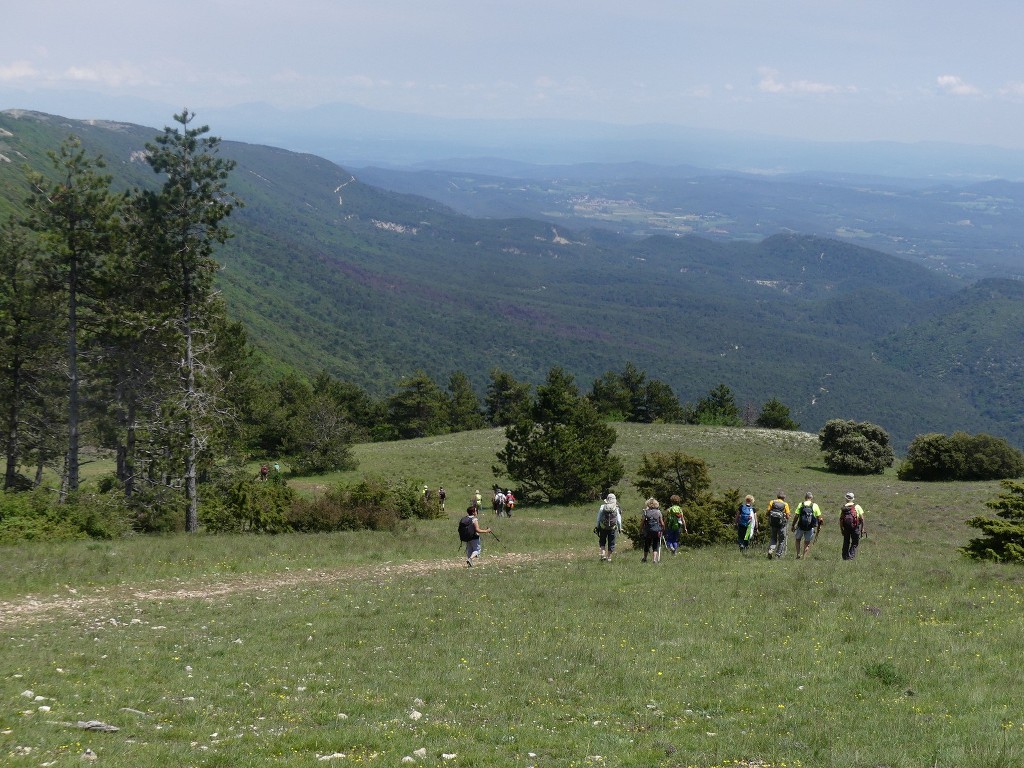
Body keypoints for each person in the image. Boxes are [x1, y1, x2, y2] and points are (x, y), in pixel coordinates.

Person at [790, 492, 822, 559]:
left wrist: (793, 525)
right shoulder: (815, 505)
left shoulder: (801, 504)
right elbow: (819, 518)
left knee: (798, 540)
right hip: (810, 528)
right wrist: (819, 527)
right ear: (811, 498)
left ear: (805, 497)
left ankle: (798, 554)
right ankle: (804, 557)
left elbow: (796, 516)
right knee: (807, 543)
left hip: (800, 526)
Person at [596, 493, 622, 562]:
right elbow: (619, 520)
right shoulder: (616, 508)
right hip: (612, 528)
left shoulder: (602, 506)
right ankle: (609, 558)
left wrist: (597, 526)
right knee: (611, 542)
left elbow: (598, 518)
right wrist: (619, 528)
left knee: (602, 540)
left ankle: (603, 554)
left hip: (603, 527)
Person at [840, 492, 865, 560]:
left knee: (846, 542)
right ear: (853, 499)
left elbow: (841, 520)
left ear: (846, 499)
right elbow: (862, 518)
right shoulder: (857, 507)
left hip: (846, 528)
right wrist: (862, 528)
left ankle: (844, 557)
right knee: (855, 542)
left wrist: (842, 529)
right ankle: (851, 556)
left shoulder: (843, 508)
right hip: (855, 527)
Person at [766, 492, 790, 559]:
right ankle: (778, 554)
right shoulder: (785, 504)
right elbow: (788, 516)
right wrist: (787, 516)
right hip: (781, 525)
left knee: (773, 538)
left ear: (777, 497)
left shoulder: (772, 502)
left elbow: (768, 511)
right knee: (782, 540)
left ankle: (771, 550)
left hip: (773, 524)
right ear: (784, 498)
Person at [641, 498, 665, 563]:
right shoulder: (658, 512)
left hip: (648, 530)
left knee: (647, 544)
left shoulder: (645, 512)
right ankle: (654, 559)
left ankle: (645, 558)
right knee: (655, 544)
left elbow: (642, 522)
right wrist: (663, 529)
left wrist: (641, 529)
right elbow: (662, 523)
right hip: (656, 530)